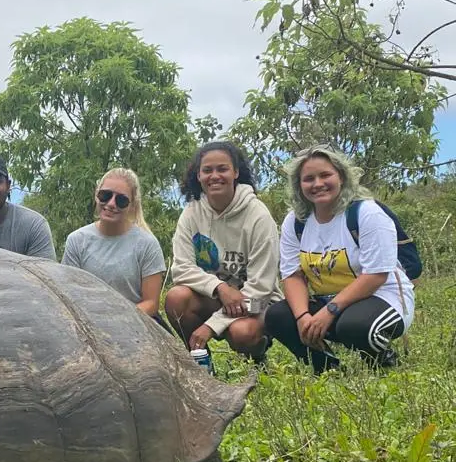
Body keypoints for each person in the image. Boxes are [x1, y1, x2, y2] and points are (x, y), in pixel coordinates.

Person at [264, 145, 414, 373]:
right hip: (329, 300)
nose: (317, 184)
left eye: (325, 175)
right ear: (299, 185)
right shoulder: (296, 222)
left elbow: (376, 275)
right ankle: (327, 369)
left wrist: (329, 311)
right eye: (308, 179)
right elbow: (292, 275)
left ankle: (384, 363)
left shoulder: (366, 214)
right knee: (278, 316)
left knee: (354, 326)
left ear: (341, 177)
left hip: (383, 296)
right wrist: (303, 317)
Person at [165, 140, 282, 361]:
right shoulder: (191, 213)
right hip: (216, 297)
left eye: (222, 169)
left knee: (243, 333)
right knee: (176, 298)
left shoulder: (258, 216)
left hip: (257, 302)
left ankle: (257, 359)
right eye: (207, 170)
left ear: (236, 172)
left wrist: (211, 326)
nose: (214, 176)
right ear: (198, 176)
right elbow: (181, 269)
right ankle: (201, 363)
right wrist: (220, 288)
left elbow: (261, 288)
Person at [61, 168, 170, 330]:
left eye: (121, 200)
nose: (111, 204)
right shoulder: (76, 240)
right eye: (105, 195)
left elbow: (151, 304)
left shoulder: (147, 244)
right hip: (86, 322)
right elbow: (69, 294)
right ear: (96, 195)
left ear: (132, 205)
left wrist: (117, 322)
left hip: (136, 322)